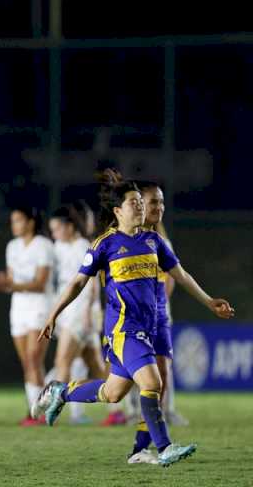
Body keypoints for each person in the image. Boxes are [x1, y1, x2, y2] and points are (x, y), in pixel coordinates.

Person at [32, 170, 234, 467]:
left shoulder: (154, 241)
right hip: (123, 330)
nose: (140, 206)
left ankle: (61, 391)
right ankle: (163, 447)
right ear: (117, 210)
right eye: (133, 202)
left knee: (111, 393)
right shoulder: (105, 244)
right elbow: (77, 283)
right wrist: (53, 314)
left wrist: (208, 301)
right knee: (153, 383)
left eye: (141, 201)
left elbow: (182, 275)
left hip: (147, 330)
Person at [0, 207, 53, 425]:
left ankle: (40, 413)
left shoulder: (43, 245)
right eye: (13, 221)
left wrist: (11, 284)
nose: (14, 225)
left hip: (40, 307)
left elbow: (41, 283)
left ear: (31, 222)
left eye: (18, 220)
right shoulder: (12, 247)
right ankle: (35, 411)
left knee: (34, 359)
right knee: (28, 363)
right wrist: (1, 285)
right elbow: (13, 283)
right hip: (19, 308)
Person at [48, 206, 106, 424]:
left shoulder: (84, 246)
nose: (54, 234)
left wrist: (87, 313)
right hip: (69, 311)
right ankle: (127, 408)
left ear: (69, 226)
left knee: (62, 361)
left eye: (57, 229)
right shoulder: (58, 247)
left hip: (81, 310)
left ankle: (53, 408)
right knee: (99, 371)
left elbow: (91, 284)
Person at [137, 180, 187, 427]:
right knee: (119, 383)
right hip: (131, 317)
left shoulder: (161, 243)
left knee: (162, 371)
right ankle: (64, 393)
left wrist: (209, 301)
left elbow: (177, 278)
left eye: (161, 201)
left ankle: (153, 429)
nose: (160, 207)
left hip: (158, 313)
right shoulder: (122, 240)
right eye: (154, 201)